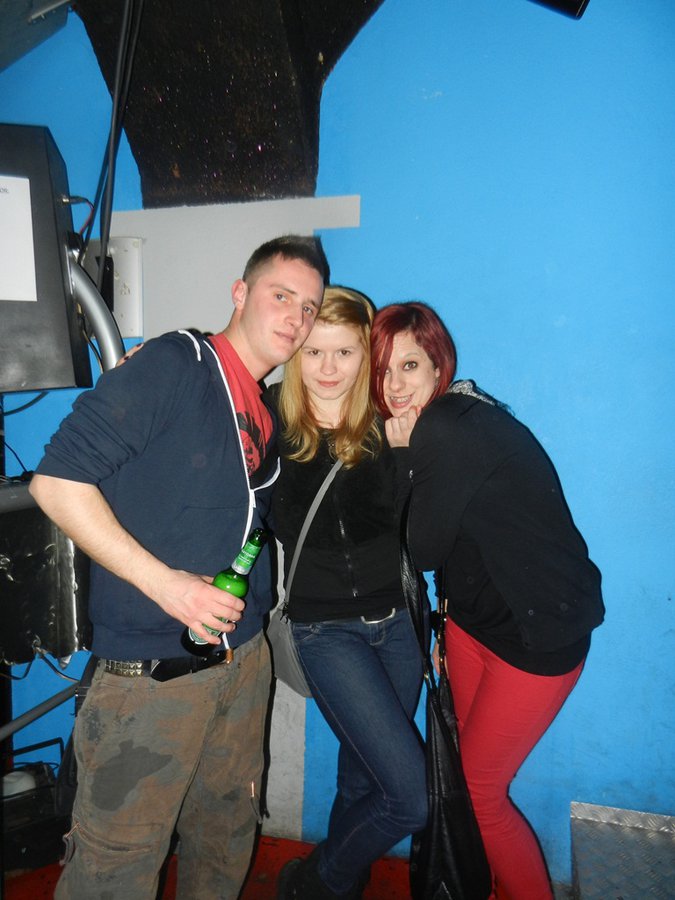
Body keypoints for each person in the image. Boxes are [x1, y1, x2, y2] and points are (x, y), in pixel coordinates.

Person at [28, 235, 329, 900]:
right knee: (114, 873)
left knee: (224, 842)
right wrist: (167, 586)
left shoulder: (266, 408)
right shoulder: (177, 363)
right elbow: (56, 484)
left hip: (241, 664)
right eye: (281, 295)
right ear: (240, 293)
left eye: (308, 307)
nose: (296, 317)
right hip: (151, 681)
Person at [370, 302, 605, 900]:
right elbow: (460, 540)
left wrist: (399, 456)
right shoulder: (451, 416)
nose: (394, 386)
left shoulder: (447, 427)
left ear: (438, 365)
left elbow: (420, 547)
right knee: (466, 783)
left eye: (410, 365)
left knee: (478, 792)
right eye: (383, 370)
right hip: (475, 628)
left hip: (536, 639)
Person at [268, 287, 427, 900]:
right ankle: (315, 883)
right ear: (294, 355)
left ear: (366, 356)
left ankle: (337, 889)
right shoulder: (271, 425)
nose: (329, 368)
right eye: (314, 352)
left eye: (345, 352)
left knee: (364, 781)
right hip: (325, 631)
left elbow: (420, 526)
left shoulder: (388, 426)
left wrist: (408, 455)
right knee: (410, 798)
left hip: (399, 628)